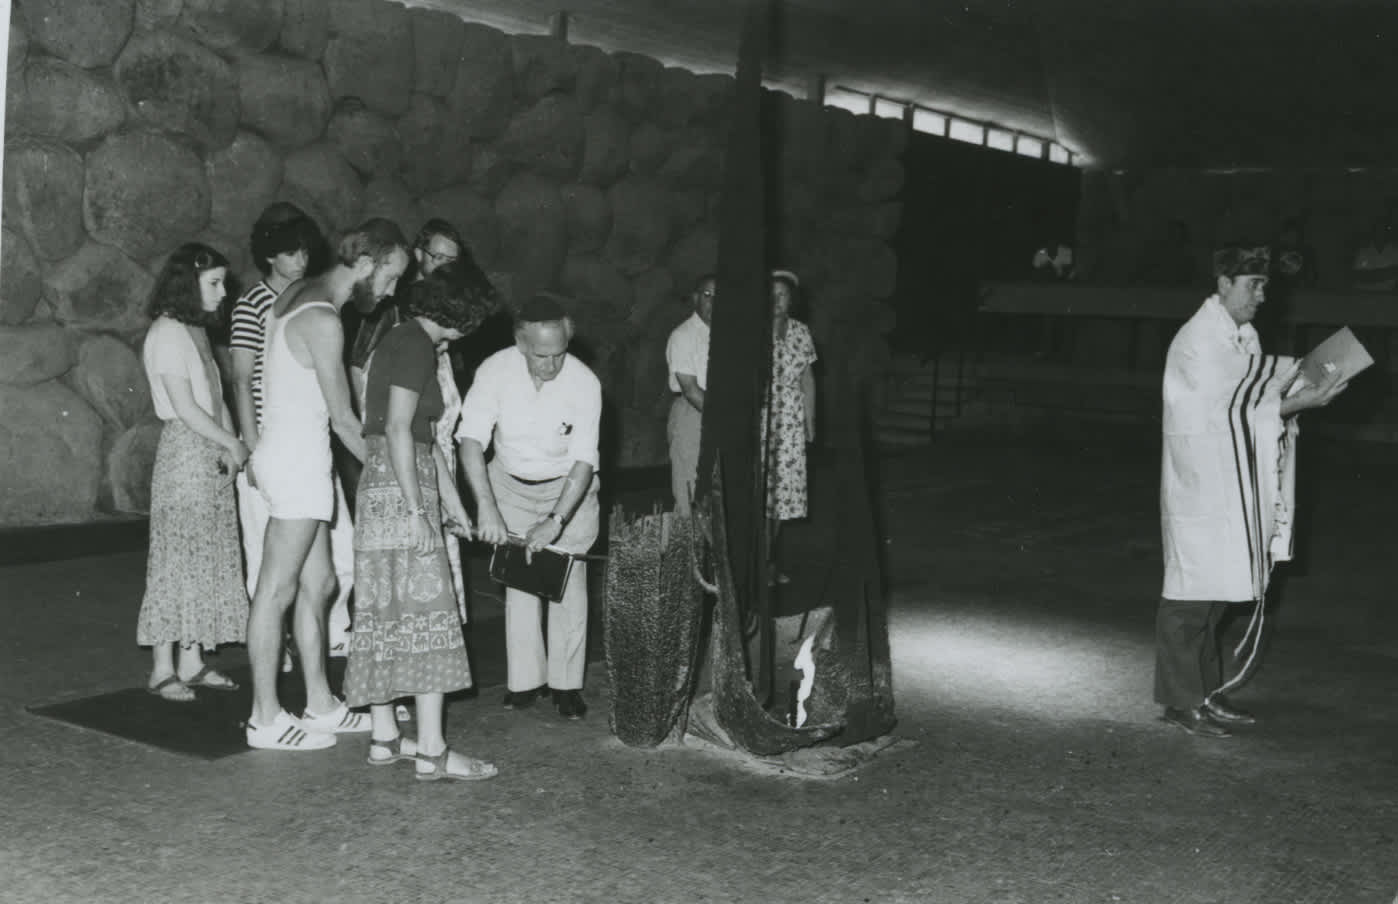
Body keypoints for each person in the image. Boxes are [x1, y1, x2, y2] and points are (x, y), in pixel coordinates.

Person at [1156, 245, 1348, 738]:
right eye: (1252, 285)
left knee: (1220, 591)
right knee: (1190, 595)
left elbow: (1250, 398)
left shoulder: (1242, 337)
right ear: (1222, 283)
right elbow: (1217, 413)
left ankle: (1203, 691)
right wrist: (1297, 400)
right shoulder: (1198, 341)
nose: (1261, 296)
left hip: (1231, 478)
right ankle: (1179, 701)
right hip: (1200, 483)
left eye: (1264, 286)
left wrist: (1298, 396)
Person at [244, 218, 410, 750]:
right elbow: (344, 418)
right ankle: (264, 717)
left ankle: (320, 704)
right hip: (295, 462)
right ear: (366, 264)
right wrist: (395, 477)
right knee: (276, 591)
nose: (391, 291)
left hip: (299, 457)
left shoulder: (299, 291)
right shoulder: (324, 320)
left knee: (319, 585)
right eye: (389, 277)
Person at [342, 266, 497, 781]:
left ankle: (385, 737)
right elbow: (398, 429)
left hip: (389, 486)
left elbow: (422, 437)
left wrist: (449, 503)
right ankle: (431, 750)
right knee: (430, 612)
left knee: (385, 612)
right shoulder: (415, 344)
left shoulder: (399, 340)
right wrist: (417, 510)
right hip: (400, 490)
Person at [457, 295, 602, 721]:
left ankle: (566, 685)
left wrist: (556, 521)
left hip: (568, 488)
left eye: (560, 353)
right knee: (520, 582)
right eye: (541, 355)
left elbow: (583, 460)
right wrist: (486, 508)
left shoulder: (583, 382)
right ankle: (525, 682)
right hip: (509, 484)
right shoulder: (494, 371)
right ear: (521, 344)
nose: (552, 365)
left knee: (568, 584)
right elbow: (469, 443)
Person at [229, 204, 356, 660]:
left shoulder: (309, 296)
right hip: (273, 440)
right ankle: (273, 650)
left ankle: (329, 636)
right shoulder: (253, 304)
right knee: (271, 567)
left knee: (330, 563)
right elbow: (243, 380)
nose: (299, 260)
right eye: (288, 253)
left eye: (303, 251)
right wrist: (251, 446)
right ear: (268, 257)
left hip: (308, 441)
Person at [138, 243, 249, 701]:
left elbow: (214, 397)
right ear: (188, 283)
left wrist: (230, 443)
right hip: (186, 452)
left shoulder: (194, 331)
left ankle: (192, 660)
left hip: (208, 450)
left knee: (204, 555)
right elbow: (184, 408)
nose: (223, 293)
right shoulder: (166, 333)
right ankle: (162, 669)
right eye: (214, 284)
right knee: (177, 558)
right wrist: (231, 442)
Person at [763, 270, 818, 584]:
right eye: (770, 293)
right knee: (761, 498)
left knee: (783, 499)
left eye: (782, 294)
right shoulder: (754, 331)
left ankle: (768, 561)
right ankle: (758, 563)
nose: (776, 300)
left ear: (791, 299)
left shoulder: (801, 331)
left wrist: (811, 422)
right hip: (762, 422)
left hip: (792, 424)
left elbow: (808, 380)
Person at [665, 273, 714, 516]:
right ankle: (684, 552)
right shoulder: (683, 336)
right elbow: (692, 390)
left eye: (720, 296)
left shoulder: (728, 336)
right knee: (689, 494)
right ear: (696, 298)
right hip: (693, 414)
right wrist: (726, 421)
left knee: (716, 498)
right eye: (707, 295)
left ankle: (716, 553)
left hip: (718, 416)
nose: (713, 302)